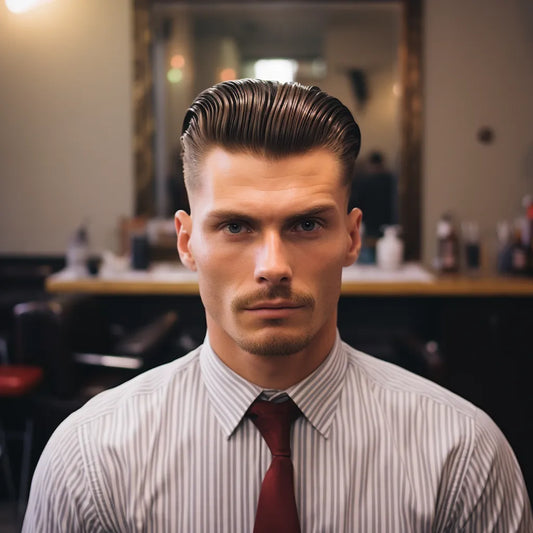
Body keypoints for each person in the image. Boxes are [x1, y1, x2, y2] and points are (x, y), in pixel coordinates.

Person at [23, 79, 532, 532]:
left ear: (352, 237)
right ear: (186, 242)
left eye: (307, 224)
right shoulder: (89, 462)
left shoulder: (462, 458)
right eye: (236, 226)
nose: (273, 265)